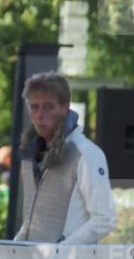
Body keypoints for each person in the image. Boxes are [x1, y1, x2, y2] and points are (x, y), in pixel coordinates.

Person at [13, 72, 116, 244]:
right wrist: (15, 247)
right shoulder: (29, 155)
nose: (40, 114)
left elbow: (104, 219)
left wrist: (61, 251)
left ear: (65, 107)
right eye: (34, 106)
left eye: (48, 107)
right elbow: (32, 221)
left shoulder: (87, 153)